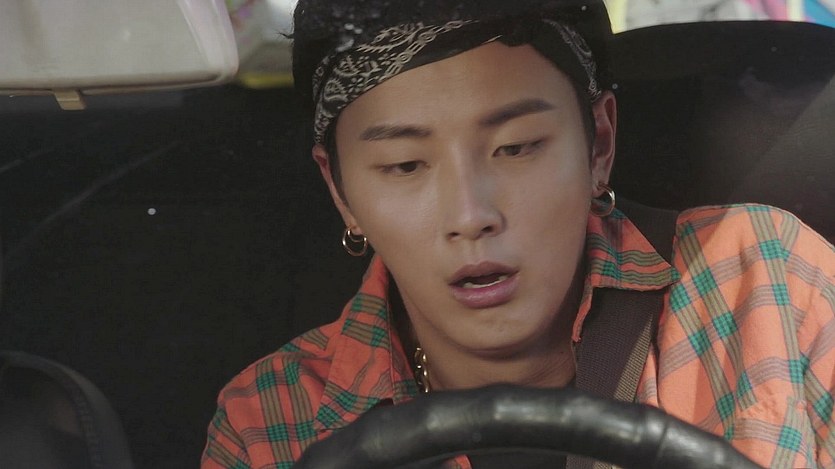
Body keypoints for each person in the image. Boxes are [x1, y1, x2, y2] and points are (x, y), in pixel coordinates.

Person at [202, 1, 835, 467]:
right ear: (341, 191)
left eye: (517, 147)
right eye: (405, 165)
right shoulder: (273, 418)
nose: (471, 215)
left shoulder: (763, 282)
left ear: (599, 145)